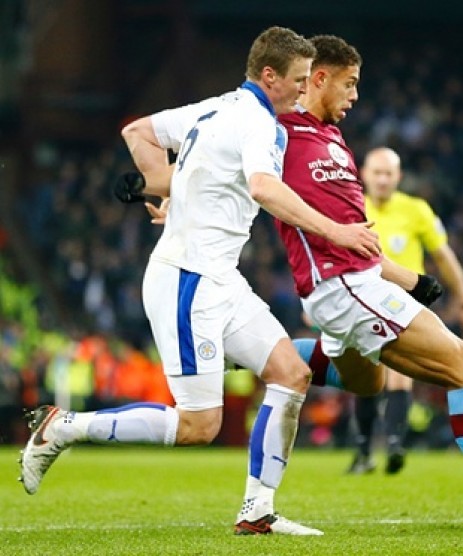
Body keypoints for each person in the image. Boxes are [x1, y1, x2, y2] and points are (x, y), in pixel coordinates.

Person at [18, 26, 381, 537]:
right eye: (299, 80)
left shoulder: (215, 108)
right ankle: (66, 427)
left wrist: (177, 194)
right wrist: (336, 231)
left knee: (289, 373)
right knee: (198, 427)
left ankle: (258, 511)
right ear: (270, 76)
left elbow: (137, 134)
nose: (305, 90)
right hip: (188, 279)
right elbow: (263, 187)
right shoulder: (261, 125)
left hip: (219, 278)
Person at [274, 34, 463, 533]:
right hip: (346, 287)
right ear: (318, 78)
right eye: (350, 84)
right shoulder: (278, 133)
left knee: (364, 381)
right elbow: (233, 173)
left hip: (355, 286)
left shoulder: (332, 140)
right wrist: (171, 190)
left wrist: (410, 277)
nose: (355, 96)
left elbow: (357, 236)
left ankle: (262, 350)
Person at [346, 146, 463, 475]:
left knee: (399, 376)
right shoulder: (351, 207)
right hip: (362, 300)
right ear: (364, 174)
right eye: (376, 172)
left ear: (399, 177)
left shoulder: (416, 210)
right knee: (366, 377)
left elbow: (444, 256)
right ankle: (365, 450)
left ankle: (393, 444)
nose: (381, 179)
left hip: (404, 302)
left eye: (388, 173)